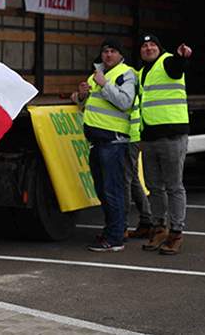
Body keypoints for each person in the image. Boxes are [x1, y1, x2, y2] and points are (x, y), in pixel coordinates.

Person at [72, 38, 136, 252]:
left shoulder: (126, 74)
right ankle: (113, 231)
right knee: (103, 191)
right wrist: (82, 97)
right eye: (105, 51)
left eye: (112, 51)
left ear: (120, 54)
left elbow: (125, 102)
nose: (108, 55)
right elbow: (89, 107)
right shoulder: (96, 74)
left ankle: (116, 237)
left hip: (114, 141)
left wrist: (104, 85)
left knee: (112, 191)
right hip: (97, 142)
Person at [136, 34, 192, 255]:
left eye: (152, 45)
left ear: (160, 49)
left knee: (174, 186)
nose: (148, 48)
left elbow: (178, 66)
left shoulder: (168, 62)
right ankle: (160, 228)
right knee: (154, 186)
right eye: (144, 45)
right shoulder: (142, 74)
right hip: (149, 137)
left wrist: (181, 56)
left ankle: (176, 232)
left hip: (172, 136)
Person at [124, 90, 153, 240]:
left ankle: (122, 226)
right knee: (133, 179)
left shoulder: (123, 76)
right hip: (132, 135)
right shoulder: (132, 76)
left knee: (125, 180)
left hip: (127, 136)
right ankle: (147, 221)